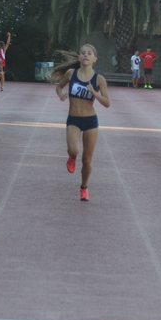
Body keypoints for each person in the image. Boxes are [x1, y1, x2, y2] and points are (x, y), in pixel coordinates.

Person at [53, 45, 111, 202]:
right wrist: (61, 94)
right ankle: (71, 157)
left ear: (94, 59)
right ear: (79, 58)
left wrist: (94, 93)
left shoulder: (99, 79)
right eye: (83, 53)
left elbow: (107, 103)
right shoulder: (71, 74)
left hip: (91, 121)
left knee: (87, 160)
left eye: (89, 53)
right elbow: (59, 87)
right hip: (74, 119)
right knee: (74, 150)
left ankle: (84, 188)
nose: (86, 55)